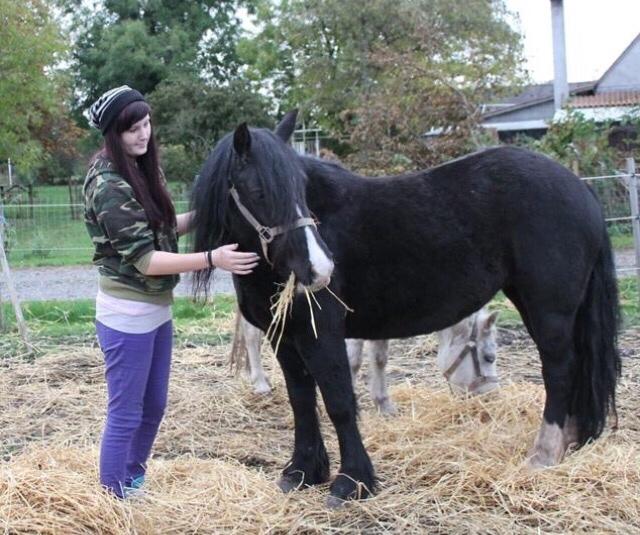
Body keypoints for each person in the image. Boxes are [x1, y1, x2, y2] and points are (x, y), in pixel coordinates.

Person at [83, 85, 259, 499]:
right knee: (126, 413)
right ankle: (111, 498)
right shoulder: (108, 185)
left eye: (145, 124)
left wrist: (208, 213)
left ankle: (132, 480)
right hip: (126, 313)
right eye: (132, 129)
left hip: (156, 308)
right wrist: (212, 258)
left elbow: (161, 227)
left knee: (154, 406)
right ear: (113, 134)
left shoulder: (141, 168)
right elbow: (146, 258)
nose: (143, 135)